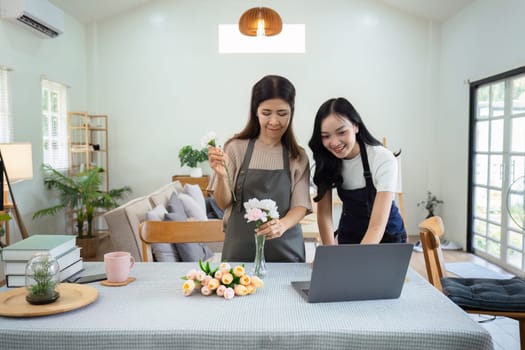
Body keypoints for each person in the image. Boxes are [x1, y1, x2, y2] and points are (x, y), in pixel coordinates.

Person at [207, 75, 312, 262]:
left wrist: (282, 225)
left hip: (286, 250)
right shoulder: (234, 148)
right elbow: (224, 203)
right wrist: (222, 177)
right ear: (255, 111)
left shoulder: (297, 156)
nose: (274, 121)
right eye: (266, 113)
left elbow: (301, 204)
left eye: (282, 113)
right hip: (240, 251)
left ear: (291, 112)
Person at [308, 97, 406, 245]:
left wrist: (359, 260)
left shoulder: (381, 158)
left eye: (341, 132)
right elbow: (324, 216)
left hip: (387, 237)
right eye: (326, 136)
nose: (334, 143)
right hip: (350, 234)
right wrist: (330, 253)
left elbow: (376, 226)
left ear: (355, 126)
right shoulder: (326, 161)